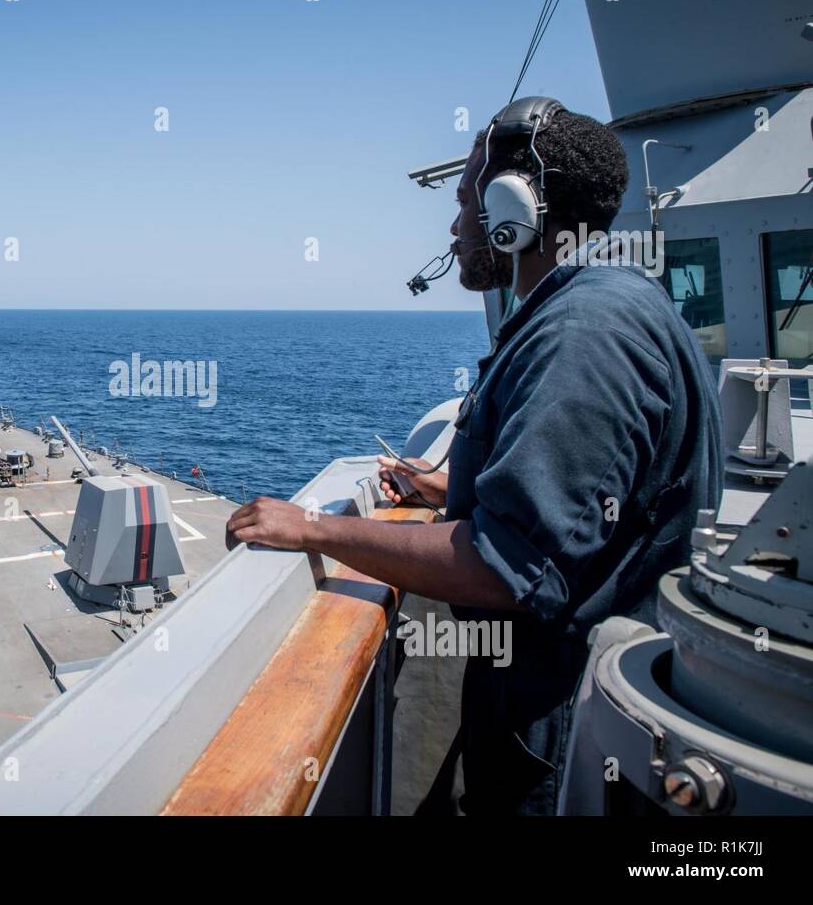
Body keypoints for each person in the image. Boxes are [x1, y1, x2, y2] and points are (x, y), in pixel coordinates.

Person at [225, 97, 723, 815]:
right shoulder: (615, 305)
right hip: (581, 708)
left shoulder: (583, 333)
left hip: (559, 738)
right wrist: (449, 491)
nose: (457, 228)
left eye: (466, 203)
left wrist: (311, 529)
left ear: (513, 206)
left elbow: (503, 569)